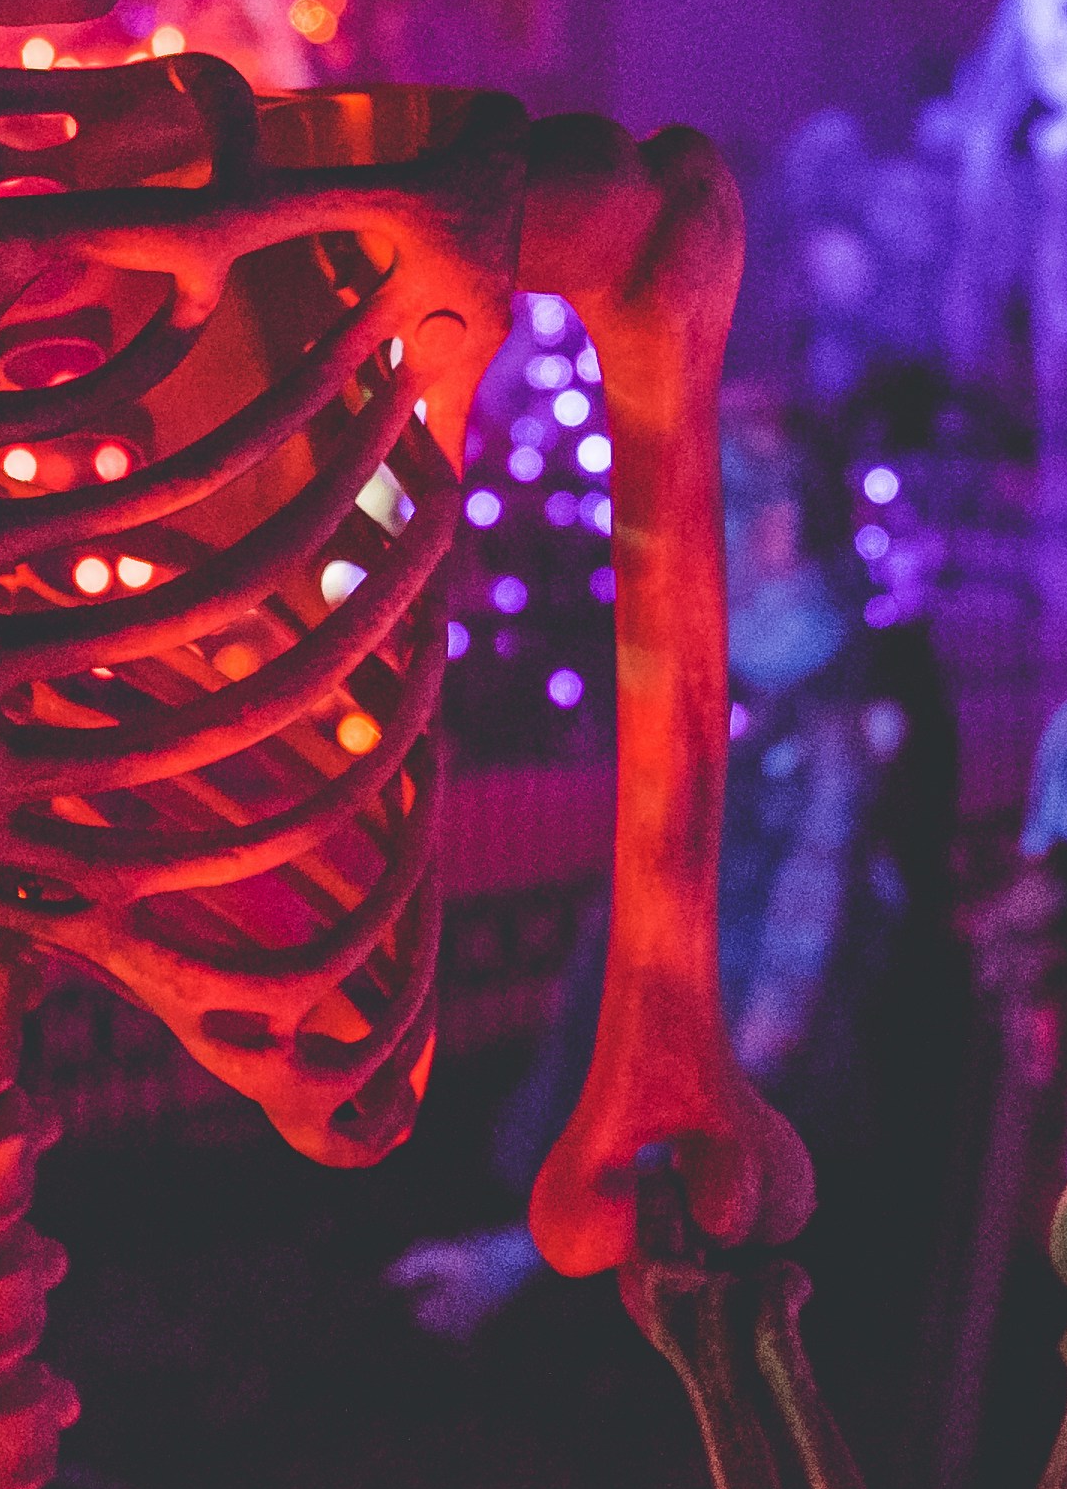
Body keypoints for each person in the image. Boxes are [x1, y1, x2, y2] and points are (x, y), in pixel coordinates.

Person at [390, 395, 953, 1338]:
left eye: (708, 506)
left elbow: (782, 1014)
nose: (675, 534)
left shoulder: (839, 725)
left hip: (744, 1199)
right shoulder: (729, 676)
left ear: (776, 526)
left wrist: (531, 1260)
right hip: (645, 1126)